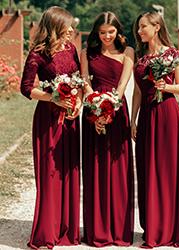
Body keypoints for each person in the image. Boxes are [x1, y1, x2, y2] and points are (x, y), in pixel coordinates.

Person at [132, 11, 179, 248]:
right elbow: (138, 92)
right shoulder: (140, 58)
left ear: (156, 26)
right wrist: (132, 120)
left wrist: (167, 86)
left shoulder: (174, 55)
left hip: (167, 114)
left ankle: (174, 226)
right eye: (138, 27)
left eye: (143, 27)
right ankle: (154, 225)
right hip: (147, 116)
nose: (139, 31)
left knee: (168, 168)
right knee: (148, 168)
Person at [20, 6, 81, 249]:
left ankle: (67, 229)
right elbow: (26, 88)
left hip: (70, 118)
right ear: (56, 26)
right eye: (68, 26)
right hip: (47, 120)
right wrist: (52, 98)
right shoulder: (38, 54)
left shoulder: (72, 49)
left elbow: (76, 79)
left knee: (68, 172)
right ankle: (47, 231)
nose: (72, 30)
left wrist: (76, 105)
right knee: (50, 173)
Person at [80, 11, 134, 247]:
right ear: (96, 32)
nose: (106, 36)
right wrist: (95, 109)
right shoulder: (86, 53)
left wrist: (110, 108)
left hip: (117, 110)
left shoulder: (128, 52)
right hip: (93, 113)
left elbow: (123, 84)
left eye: (111, 32)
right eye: (102, 32)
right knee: (95, 167)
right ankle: (97, 230)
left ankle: (119, 229)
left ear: (118, 31)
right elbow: (85, 82)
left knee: (118, 168)